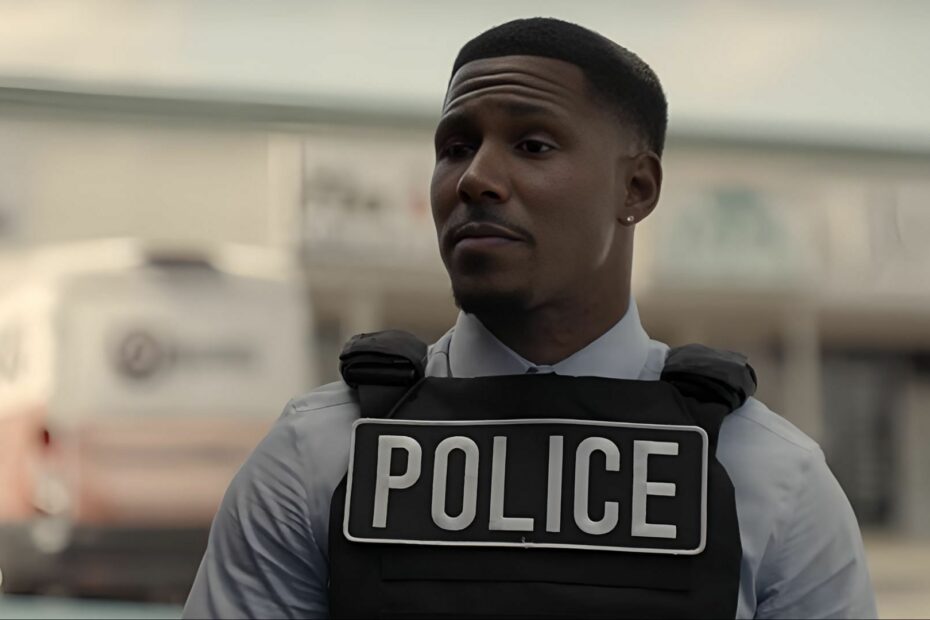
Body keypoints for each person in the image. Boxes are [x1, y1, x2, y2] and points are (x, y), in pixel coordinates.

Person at [183, 17, 877, 619]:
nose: (475, 178)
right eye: (455, 147)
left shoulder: (767, 475)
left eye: (533, 145)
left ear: (636, 188)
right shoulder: (315, 454)